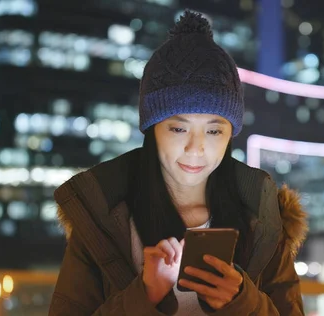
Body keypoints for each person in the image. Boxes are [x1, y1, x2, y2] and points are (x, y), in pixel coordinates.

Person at [48, 10, 308, 316]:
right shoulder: (102, 216)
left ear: (230, 136)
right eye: (178, 128)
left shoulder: (263, 218)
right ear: (152, 131)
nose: (196, 148)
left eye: (214, 130)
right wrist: (144, 296)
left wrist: (242, 302)